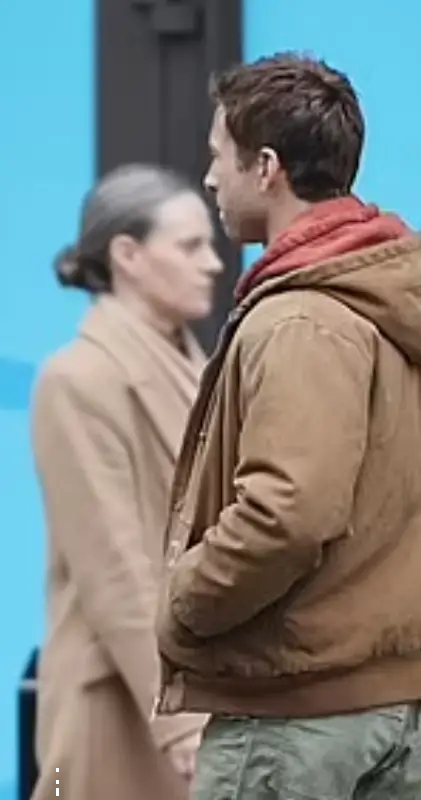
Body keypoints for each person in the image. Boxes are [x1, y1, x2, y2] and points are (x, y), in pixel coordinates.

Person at [155, 54, 421, 800]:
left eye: (218, 156)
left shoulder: (297, 320)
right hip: (412, 711)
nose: (209, 179)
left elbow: (288, 515)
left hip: (297, 714)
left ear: (267, 168)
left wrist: (184, 600)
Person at [31, 163, 223, 800]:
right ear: (127, 255)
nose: (212, 264)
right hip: (122, 705)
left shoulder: (196, 368)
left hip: (198, 694)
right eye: (190, 246)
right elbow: (113, 568)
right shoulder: (78, 380)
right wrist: (179, 719)